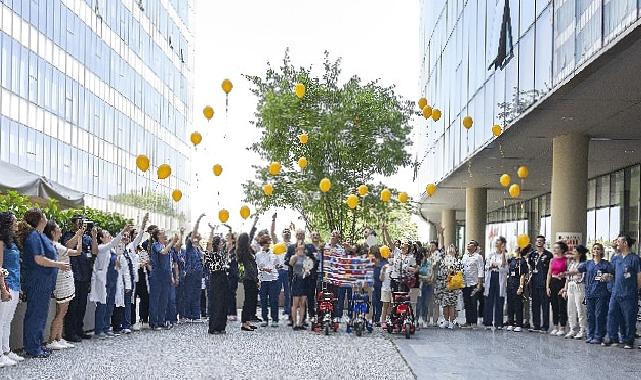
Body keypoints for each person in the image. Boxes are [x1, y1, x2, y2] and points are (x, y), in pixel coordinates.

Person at [17, 209, 69, 358]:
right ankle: (32, 347)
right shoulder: (34, 236)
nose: (46, 218)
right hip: (38, 282)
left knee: (41, 315)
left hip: (44, 283)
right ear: (40, 220)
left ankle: (38, 344)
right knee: (36, 315)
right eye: (44, 216)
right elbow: (38, 259)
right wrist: (58, 264)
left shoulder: (40, 235)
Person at [44, 219, 82, 350]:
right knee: (61, 312)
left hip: (63, 279)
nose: (61, 230)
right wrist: (78, 237)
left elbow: (76, 251)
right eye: (58, 228)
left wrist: (79, 236)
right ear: (53, 232)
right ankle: (51, 340)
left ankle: (58, 338)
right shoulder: (57, 246)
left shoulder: (54, 244)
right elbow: (77, 252)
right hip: (63, 280)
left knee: (62, 311)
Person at [90, 224, 130, 339]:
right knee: (102, 306)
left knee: (109, 306)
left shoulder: (111, 250)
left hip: (112, 281)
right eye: (106, 234)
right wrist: (123, 230)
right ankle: (99, 330)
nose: (109, 236)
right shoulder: (102, 247)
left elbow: (116, 261)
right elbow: (113, 243)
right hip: (104, 281)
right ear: (101, 238)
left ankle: (106, 327)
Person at [603, 233, 641, 349]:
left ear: (625, 243)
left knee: (629, 318)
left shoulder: (635, 259)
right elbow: (612, 273)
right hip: (616, 292)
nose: (616, 243)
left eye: (618, 241)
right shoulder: (616, 258)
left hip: (629, 293)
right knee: (612, 314)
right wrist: (607, 277)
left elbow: (639, 276)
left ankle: (629, 340)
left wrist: (636, 290)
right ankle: (612, 337)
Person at [62, 215, 95, 342]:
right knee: (73, 306)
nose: (82, 224)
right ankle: (70, 332)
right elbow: (68, 247)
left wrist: (92, 236)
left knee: (82, 305)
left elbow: (93, 252)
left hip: (85, 274)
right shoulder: (69, 234)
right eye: (80, 222)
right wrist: (78, 235)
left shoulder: (86, 237)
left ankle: (79, 330)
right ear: (74, 223)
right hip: (74, 274)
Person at [573, 243, 612, 344]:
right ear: (592, 251)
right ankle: (590, 335)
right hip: (590, 293)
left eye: (598, 249)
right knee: (590, 315)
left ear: (602, 251)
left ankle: (598, 336)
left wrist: (607, 275)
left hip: (601, 293)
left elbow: (612, 273)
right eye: (594, 249)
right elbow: (577, 270)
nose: (596, 250)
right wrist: (565, 273)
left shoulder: (605, 264)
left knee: (599, 315)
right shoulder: (588, 263)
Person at [0, 211, 24, 365]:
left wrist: (19, 288)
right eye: (14, 221)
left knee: (7, 321)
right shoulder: (1, 242)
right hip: (6, 285)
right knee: (1, 321)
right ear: (7, 224)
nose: (17, 223)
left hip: (14, 284)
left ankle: (6, 351)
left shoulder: (11, 242)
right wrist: (3, 289)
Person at [148, 228, 177, 330]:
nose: (164, 234)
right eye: (162, 233)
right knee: (155, 299)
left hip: (166, 275)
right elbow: (163, 252)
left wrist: (171, 276)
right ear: (158, 236)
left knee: (164, 300)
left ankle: (161, 321)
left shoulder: (165, 245)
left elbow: (169, 262)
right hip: (157, 275)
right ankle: (153, 322)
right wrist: (172, 242)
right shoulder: (155, 245)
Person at [203, 230, 230, 334]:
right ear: (217, 244)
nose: (222, 245)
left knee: (223, 303)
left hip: (223, 278)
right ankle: (213, 327)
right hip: (215, 278)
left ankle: (221, 326)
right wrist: (212, 231)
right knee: (216, 303)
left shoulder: (222, 254)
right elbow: (211, 266)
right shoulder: (210, 254)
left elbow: (229, 245)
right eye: (220, 243)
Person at [562, 244, 588, 339]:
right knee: (570, 308)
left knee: (580, 309)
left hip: (579, 286)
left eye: (575, 251)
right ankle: (572, 329)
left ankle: (582, 329)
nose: (573, 253)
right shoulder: (571, 264)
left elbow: (582, 276)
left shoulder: (584, 264)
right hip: (571, 286)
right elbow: (568, 278)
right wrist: (565, 289)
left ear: (580, 254)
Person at [528, 235, 553, 333]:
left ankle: (545, 326)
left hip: (543, 283)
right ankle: (536, 325)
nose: (539, 242)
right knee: (535, 305)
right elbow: (530, 267)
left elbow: (550, 271)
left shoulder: (549, 255)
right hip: (534, 283)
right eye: (537, 241)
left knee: (545, 305)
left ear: (544, 243)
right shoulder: (532, 254)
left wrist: (548, 285)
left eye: (541, 241)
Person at [183, 214, 205, 322]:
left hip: (198, 273)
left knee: (197, 293)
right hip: (191, 272)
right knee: (190, 293)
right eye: (195, 235)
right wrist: (198, 220)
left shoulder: (198, 248)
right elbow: (194, 233)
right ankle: (187, 315)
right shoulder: (189, 246)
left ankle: (196, 315)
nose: (197, 236)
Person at [435, 244, 462, 329]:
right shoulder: (443, 260)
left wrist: (451, 274)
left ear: (455, 251)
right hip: (444, 285)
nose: (450, 249)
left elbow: (460, 272)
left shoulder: (458, 261)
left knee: (452, 304)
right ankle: (446, 320)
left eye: (452, 248)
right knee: (445, 304)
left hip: (453, 285)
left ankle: (451, 321)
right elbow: (440, 270)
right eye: (449, 248)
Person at [256, 234, 280, 327]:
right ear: (262, 244)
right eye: (266, 242)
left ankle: (275, 319)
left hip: (273, 279)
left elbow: (277, 264)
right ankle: (264, 319)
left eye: (268, 242)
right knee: (263, 300)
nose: (268, 244)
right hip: (263, 279)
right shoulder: (258, 255)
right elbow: (258, 267)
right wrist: (264, 270)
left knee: (274, 300)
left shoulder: (274, 253)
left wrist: (277, 266)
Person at [483, 237, 508, 330]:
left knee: (499, 300)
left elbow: (504, 267)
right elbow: (487, 266)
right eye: (496, 243)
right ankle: (488, 322)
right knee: (489, 299)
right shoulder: (490, 254)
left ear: (502, 244)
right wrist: (492, 266)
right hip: (491, 276)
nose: (497, 244)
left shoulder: (506, 255)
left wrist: (503, 253)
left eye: (499, 243)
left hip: (500, 278)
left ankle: (498, 323)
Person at [271, 213, 292, 318]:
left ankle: (287, 310)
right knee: (276, 291)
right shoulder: (278, 243)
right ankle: (274, 311)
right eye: (284, 231)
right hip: (279, 270)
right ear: (282, 234)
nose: (286, 233)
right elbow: (272, 233)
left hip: (288, 271)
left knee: (288, 292)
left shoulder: (292, 245)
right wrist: (273, 220)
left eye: (288, 231)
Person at [290, 240, 313, 330]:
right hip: (297, 280)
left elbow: (309, 268)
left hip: (305, 281)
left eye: (303, 244)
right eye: (300, 244)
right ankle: (294, 323)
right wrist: (295, 258)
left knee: (303, 303)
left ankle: (300, 323)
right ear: (297, 247)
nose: (302, 245)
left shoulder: (307, 258)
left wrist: (307, 272)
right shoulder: (294, 257)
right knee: (295, 303)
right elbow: (291, 266)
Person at [546, 241, 568, 336]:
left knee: (561, 305)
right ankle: (555, 326)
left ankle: (562, 327)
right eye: (554, 248)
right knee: (554, 305)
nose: (555, 250)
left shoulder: (566, 260)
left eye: (557, 248)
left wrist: (565, 287)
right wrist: (547, 286)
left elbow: (568, 275)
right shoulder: (552, 260)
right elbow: (549, 273)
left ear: (562, 249)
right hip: (553, 282)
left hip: (561, 282)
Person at [237, 232, 258, 331]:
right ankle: (244, 323)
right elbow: (250, 268)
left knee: (251, 300)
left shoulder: (247, 250)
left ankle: (247, 320)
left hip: (251, 278)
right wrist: (256, 278)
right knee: (248, 301)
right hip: (249, 279)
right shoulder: (244, 252)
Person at [461, 240, 483, 329]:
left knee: (473, 302)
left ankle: (474, 322)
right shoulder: (464, 256)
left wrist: (479, 284)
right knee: (467, 303)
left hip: (474, 283)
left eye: (471, 244)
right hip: (465, 283)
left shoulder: (478, 257)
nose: (469, 245)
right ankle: (468, 321)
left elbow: (480, 270)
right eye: (468, 244)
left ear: (475, 247)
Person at [505, 245, 528, 332]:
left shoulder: (522, 261)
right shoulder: (512, 260)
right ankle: (510, 323)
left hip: (517, 283)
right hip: (510, 283)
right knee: (510, 304)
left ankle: (519, 324)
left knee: (518, 304)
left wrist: (521, 287)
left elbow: (522, 275)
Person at [371, 245, 387, 327]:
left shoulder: (384, 263)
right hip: (376, 285)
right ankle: (375, 319)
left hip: (381, 285)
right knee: (375, 302)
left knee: (379, 303)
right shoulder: (377, 262)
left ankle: (378, 319)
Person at [226, 231, 239, 321]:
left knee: (232, 293)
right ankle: (227, 312)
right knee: (227, 293)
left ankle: (233, 313)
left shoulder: (236, 250)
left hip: (233, 274)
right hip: (225, 274)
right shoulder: (225, 249)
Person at [379, 258, 392, 328]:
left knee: (392, 306)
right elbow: (381, 279)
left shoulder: (396, 267)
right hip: (385, 289)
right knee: (385, 306)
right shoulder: (385, 267)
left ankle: (390, 320)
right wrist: (383, 271)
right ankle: (383, 321)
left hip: (393, 289)